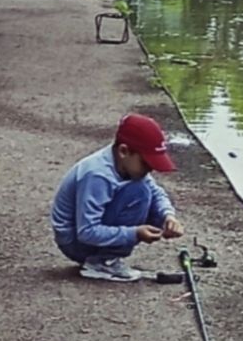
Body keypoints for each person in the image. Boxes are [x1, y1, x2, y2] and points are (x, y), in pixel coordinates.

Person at [51, 112, 185, 282]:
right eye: (146, 163)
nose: (150, 170)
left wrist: (168, 216)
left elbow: (157, 192)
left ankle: (104, 258)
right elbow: (86, 231)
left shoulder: (126, 165)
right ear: (124, 151)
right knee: (140, 191)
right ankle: (102, 261)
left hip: (86, 235)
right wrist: (134, 233)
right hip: (76, 242)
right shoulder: (98, 175)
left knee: (146, 191)